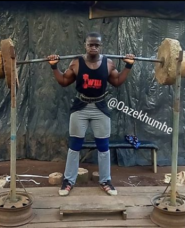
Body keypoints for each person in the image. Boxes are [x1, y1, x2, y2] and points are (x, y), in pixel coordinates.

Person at [47, 31, 135, 196]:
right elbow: (64, 81)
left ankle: (105, 180)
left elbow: (116, 81)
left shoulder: (108, 64)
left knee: (103, 147)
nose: (93, 47)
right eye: (90, 45)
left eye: (97, 45)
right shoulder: (76, 63)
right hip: (80, 107)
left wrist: (128, 66)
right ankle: (68, 181)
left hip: (100, 107)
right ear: (85, 46)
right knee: (74, 146)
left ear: (100, 46)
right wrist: (54, 67)